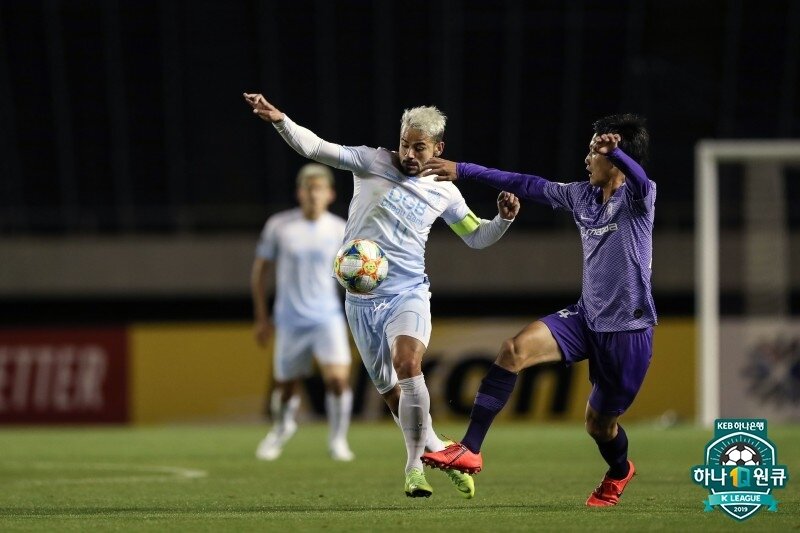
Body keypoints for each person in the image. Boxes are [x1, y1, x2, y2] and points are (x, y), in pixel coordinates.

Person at [244, 92, 520, 499]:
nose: (409, 153)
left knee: (407, 363)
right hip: (360, 301)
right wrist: (281, 119)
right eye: (405, 143)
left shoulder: (444, 189)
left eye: (419, 147)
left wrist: (504, 220)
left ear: (438, 149)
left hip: (407, 292)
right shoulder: (371, 162)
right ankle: (440, 451)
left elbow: (476, 237)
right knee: (391, 392)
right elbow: (316, 147)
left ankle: (413, 469)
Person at [420, 114, 656, 508]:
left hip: (627, 332)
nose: (586, 159)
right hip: (585, 318)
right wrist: (464, 170)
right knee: (513, 350)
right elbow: (526, 183)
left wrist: (616, 151)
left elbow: (641, 179)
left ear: (614, 158)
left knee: (599, 426)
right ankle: (470, 449)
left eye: (593, 151)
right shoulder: (581, 195)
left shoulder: (638, 198)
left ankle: (619, 472)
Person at [252, 162, 355, 462]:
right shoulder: (280, 226)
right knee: (285, 388)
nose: (313, 194)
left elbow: (352, 275)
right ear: (300, 192)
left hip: (327, 318)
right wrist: (262, 318)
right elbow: (260, 273)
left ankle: (338, 440)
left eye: (319, 188)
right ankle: (282, 427)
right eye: (308, 188)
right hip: (290, 320)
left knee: (337, 380)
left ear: (330, 194)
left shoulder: (340, 229)